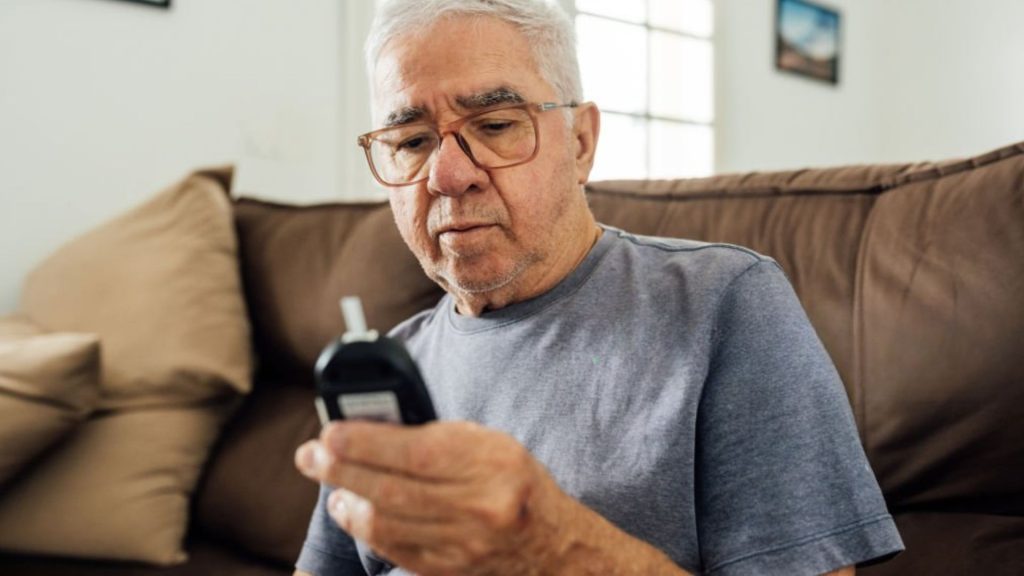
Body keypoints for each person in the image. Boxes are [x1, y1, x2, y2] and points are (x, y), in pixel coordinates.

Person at [292, 0, 904, 574]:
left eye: (496, 124)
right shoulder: (386, 365)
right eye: (411, 141)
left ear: (581, 143)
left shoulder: (727, 303)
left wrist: (550, 545)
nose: (448, 176)